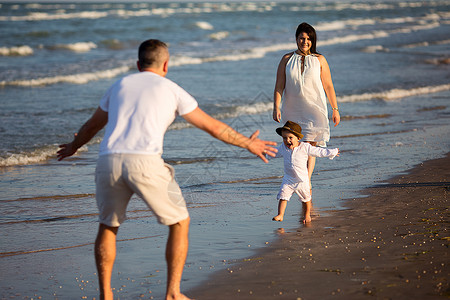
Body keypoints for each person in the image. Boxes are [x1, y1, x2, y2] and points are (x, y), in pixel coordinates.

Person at [57, 39, 277, 300]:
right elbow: (214, 127)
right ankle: (173, 292)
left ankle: (106, 295)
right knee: (180, 221)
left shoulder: (120, 85)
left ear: (138, 64)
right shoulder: (172, 89)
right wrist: (248, 143)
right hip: (145, 162)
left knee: (108, 225)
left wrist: (74, 145)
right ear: (166, 64)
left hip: (108, 160)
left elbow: (91, 127)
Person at [273, 22, 340, 196]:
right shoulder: (286, 59)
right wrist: (276, 107)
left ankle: (306, 181)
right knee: (295, 146)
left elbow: (329, 86)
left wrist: (335, 109)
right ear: (296, 39)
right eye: (302, 38)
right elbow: (279, 85)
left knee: (310, 145)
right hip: (292, 109)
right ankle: (298, 178)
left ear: (313, 40)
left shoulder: (319, 59)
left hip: (314, 109)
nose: (305, 41)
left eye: (309, 39)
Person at [271, 121, 339, 223]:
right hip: (289, 179)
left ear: (298, 138)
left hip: (302, 180)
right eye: (284, 138)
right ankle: (280, 214)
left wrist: (332, 152)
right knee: (283, 195)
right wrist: (264, 152)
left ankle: (307, 215)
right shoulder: (283, 147)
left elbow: (319, 152)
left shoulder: (304, 147)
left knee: (306, 199)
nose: (287, 140)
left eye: (290, 138)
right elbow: (274, 152)